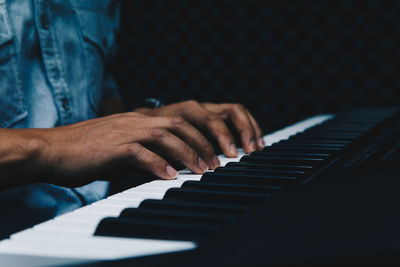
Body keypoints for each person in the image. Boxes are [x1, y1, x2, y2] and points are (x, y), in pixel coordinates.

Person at [0, 0, 264, 237]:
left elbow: (98, 97)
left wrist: (143, 122)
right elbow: (68, 141)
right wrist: (51, 148)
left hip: (96, 221)